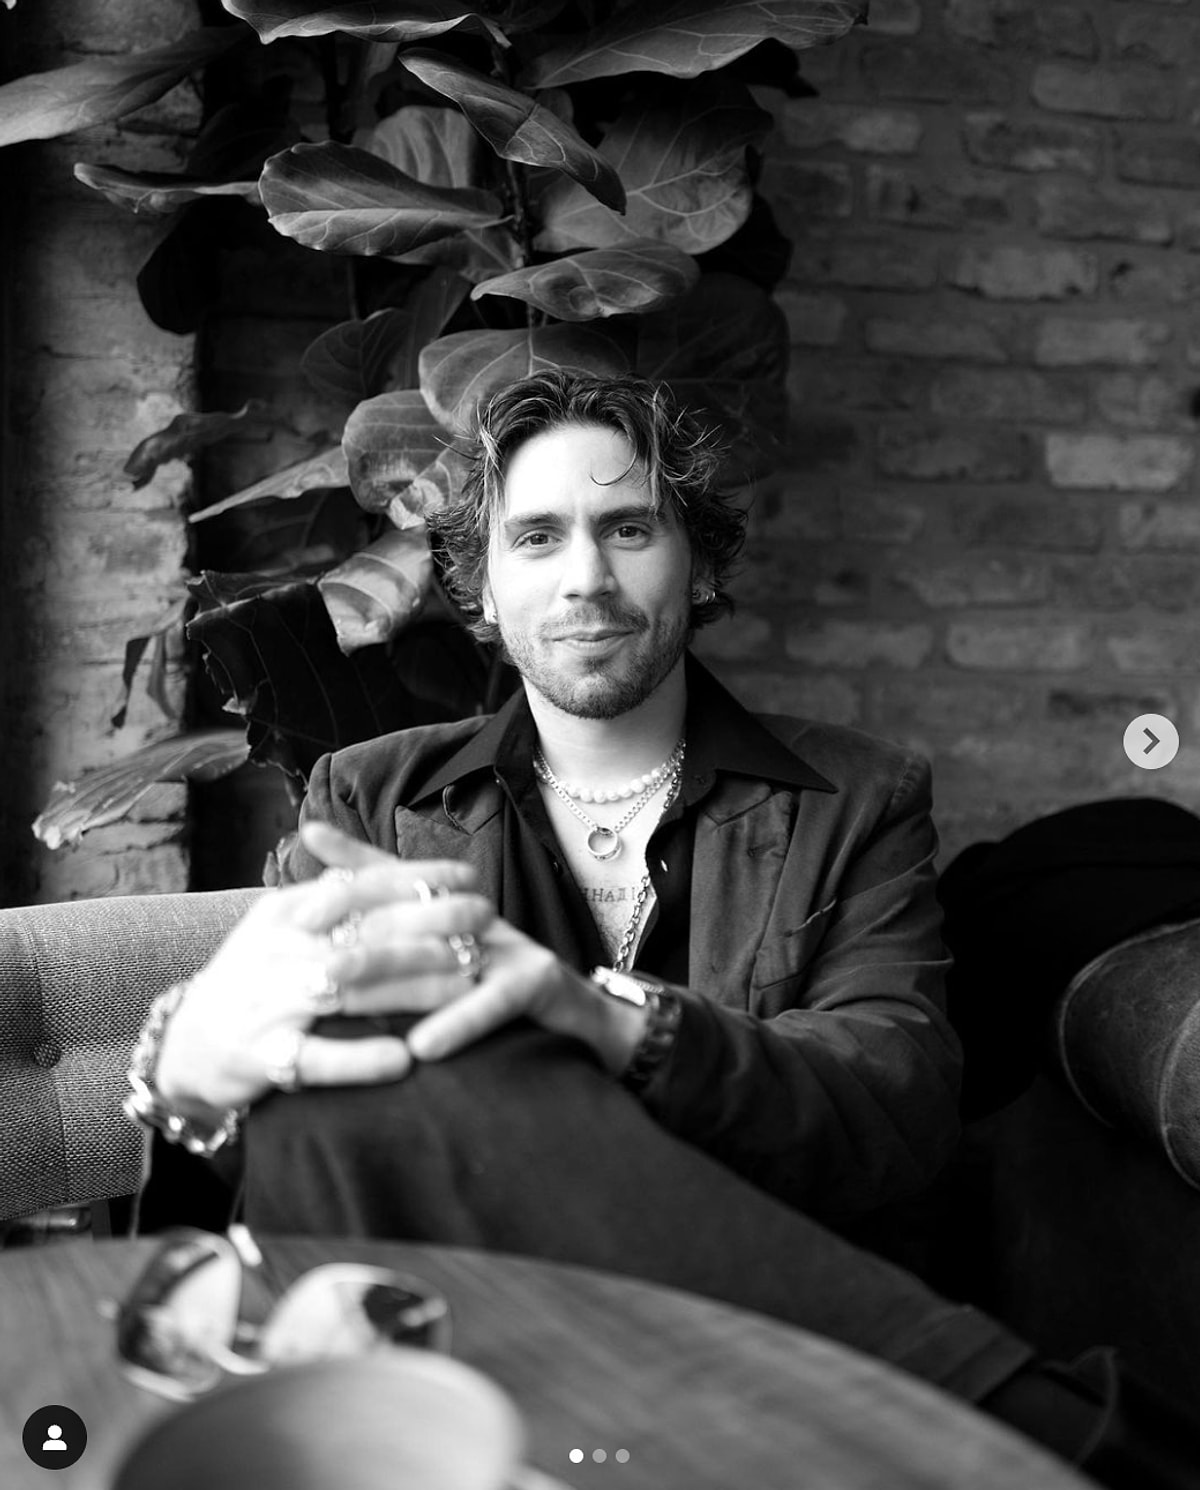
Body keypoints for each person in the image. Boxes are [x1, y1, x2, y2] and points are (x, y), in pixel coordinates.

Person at [138, 372, 1196, 1486]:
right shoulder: (370, 799)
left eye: (629, 528)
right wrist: (185, 1071)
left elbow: (897, 1096)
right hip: (484, 1336)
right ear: (481, 584)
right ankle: (1054, 1436)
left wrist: (609, 1022)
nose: (586, 577)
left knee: (429, 1050)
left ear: (699, 564)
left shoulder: (856, 796)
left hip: (759, 1359)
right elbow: (300, 1118)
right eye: (537, 536)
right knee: (380, 1057)